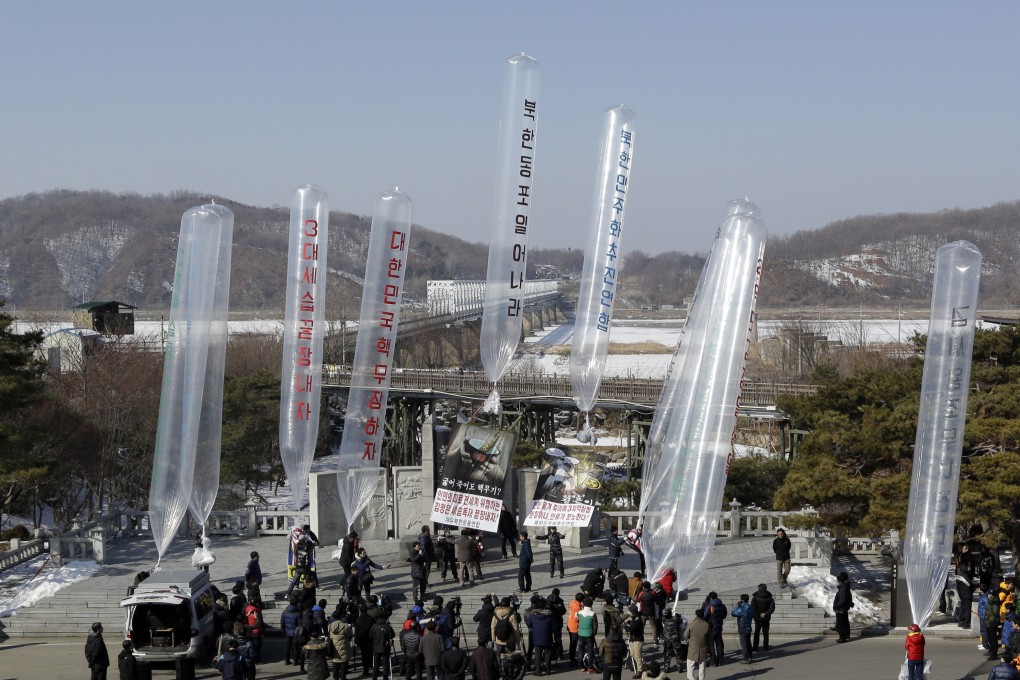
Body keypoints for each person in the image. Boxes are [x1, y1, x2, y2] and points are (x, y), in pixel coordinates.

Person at [527, 597, 554, 676]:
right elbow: (553, 627)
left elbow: (529, 624)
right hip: (547, 637)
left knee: (538, 655)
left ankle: (538, 671)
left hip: (537, 638)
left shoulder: (533, 616)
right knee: (547, 654)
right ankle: (547, 670)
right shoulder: (549, 616)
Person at [684, 609, 711, 680]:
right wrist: (710, 650)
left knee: (690, 666)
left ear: (696, 615)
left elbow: (685, 635)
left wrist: (689, 641)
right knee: (702, 667)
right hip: (703, 648)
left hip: (692, 648)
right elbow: (709, 639)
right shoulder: (706, 625)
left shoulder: (691, 624)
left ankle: (691, 679)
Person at [370, 612, 396, 680]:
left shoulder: (374, 626)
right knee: (385, 665)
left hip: (376, 647)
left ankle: (374, 678)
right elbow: (392, 635)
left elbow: (370, 636)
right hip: (385, 648)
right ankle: (385, 678)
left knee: (376, 665)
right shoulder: (387, 626)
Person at [328, 613, 354, 680]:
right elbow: (349, 635)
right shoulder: (345, 626)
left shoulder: (330, 626)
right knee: (343, 663)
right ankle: (343, 678)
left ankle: (335, 678)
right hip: (344, 646)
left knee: (335, 663)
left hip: (334, 647)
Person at [750, 583, 775, 652]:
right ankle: (766, 646)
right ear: (766, 588)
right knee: (766, 633)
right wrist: (765, 614)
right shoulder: (770, 597)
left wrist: (759, 614)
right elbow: (772, 607)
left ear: (759, 588)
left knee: (756, 632)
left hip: (757, 618)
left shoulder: (755, 597)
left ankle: (755, 647)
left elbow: (753, 607)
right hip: (766, 618)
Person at [577, 596, 599, 674]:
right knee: (590, 652)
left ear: (583, 604)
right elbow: (595, 626)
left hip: (580, 634)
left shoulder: (579, 612)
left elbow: (576, 618)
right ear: (591, 604)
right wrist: (594, 633)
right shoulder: (593, 614)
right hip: (589, 635)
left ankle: (582, 665)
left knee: (581, 651)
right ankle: (590, 667)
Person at [624, 604, 645, 679]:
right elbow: (632, 624)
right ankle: (643, 665)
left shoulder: (636, 620)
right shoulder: (635, 618)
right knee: (632, 654)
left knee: (637, 656)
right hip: (633, 640)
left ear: (633, 613)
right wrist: (629, 622)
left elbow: (630, 629)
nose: (628, 612)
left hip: (637, 640)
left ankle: (640, 671)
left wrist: (625, 626)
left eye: (629, 611)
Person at [833, 571, 854, 642]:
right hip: (844, 608)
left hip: (841, 608)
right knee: (845, 622)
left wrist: (837, 606)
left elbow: (842, 599)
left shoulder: (843, 588)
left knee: (841, 623)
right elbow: (848, 597)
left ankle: (842, 638)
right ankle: (847, 635)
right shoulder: (846, 586)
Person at [733, 594, 753, 664]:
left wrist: (737, 606)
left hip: (742, 627)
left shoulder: (741, 607)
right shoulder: (750, 607)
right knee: (748, 643)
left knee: (743, 644)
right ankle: (750, 656)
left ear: (742, 600)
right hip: (749, 627)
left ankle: (746, 658)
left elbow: (733, 613)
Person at [417, 526, 435, 596]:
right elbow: (423, 548)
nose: (430, 531)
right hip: (426, 557)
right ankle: (425, 583)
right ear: (425, 531)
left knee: (427, 571)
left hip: (428, 556)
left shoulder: (426, 536)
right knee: (426, 571)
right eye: (429, 530)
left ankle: (426, 582)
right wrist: (426, 558)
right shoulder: (423, 537)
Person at [567, 593, 584, 666]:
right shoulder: (577, 607)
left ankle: (572, 656)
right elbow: (577, 618)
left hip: (570, 625)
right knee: (573, 643)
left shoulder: (572, 603)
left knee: (572, 642)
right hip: (575, 627)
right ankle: (572, 658)